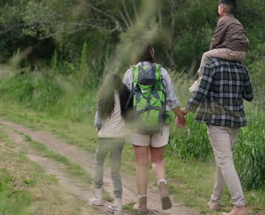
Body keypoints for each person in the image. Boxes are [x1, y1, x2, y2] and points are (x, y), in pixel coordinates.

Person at [182, 57, 254, 215]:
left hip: (216, 121)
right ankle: (215, 200)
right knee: (223, 160)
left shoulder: (211, 65)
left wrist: (184, 111)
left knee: (225, 161)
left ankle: (239, 205)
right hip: (235, 121)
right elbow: (249, 95)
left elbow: (200, 93)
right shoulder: (242, 68)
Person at [122, 45, 186, 214]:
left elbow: (123, 101)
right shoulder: (162, 72)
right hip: (159, 123)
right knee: (157, 160)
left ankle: (142, 204)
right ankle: (162, 185)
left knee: (141, 164)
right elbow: (172, 99)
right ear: (151, 52)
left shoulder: (130, 73)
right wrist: (180, 116)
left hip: (137, 124)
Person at [189, 0, 249, 92]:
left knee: (206, 55)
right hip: (242, 54)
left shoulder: (223, 20)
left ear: (222, 8)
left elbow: (216, 39)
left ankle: (199, 83)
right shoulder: (237, 22)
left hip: (232, 52)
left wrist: (211, 51)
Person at [90, 73, 130, 215]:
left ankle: (99, 196)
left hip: (105, 137)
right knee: (115, 170)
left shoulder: (105, 96)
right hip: (119, 137)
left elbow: (98, 121)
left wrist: (97, 128)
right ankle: (118, 205)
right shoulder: (125, 96)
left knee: (99, 164)